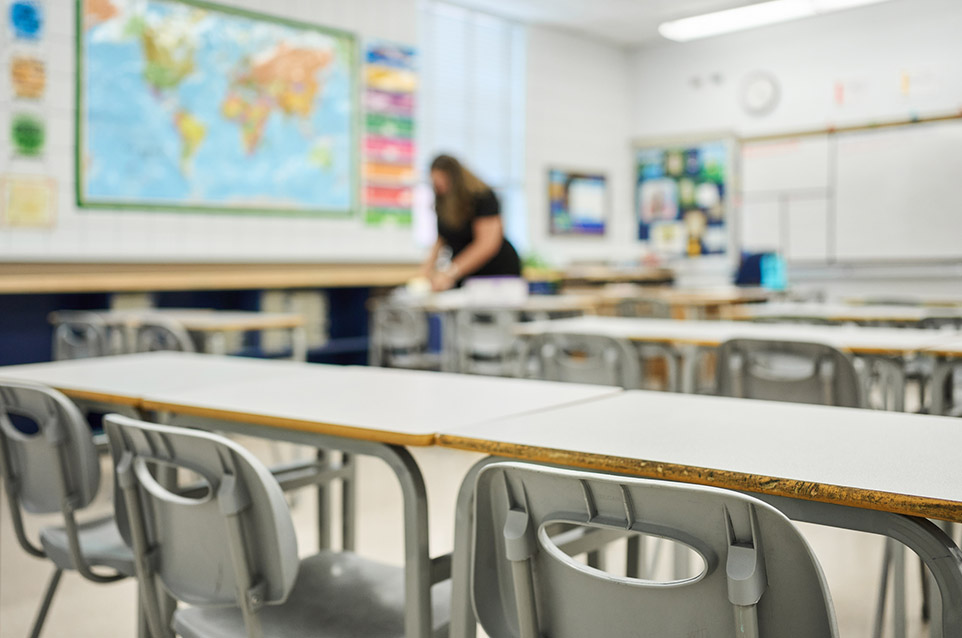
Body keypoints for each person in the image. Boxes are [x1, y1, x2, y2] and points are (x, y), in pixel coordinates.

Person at [419, 154, 521, 291]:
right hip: (464, 273)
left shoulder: (482, 197)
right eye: (436, 183)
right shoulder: (443, 201)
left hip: (495, 272)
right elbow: (442, 237)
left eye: (443, 182)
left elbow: (487, 245)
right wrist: (425, 273)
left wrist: (451, 272)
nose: (440, 187)